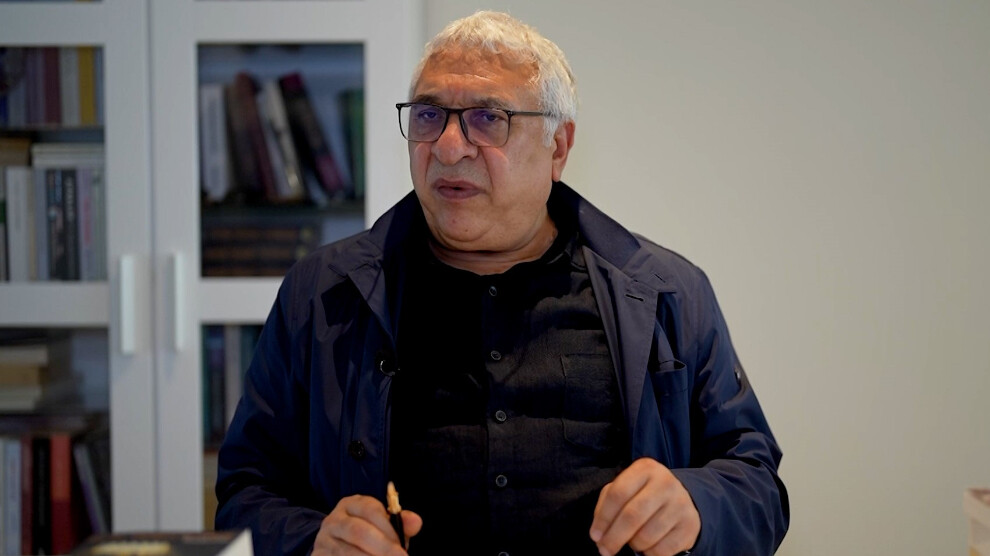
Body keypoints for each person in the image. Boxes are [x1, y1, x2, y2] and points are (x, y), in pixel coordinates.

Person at [215, 10, 789, 556]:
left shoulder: (666, 293)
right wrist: (313, 540)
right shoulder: (322, 296)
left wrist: (696, 506)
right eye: (428, 115)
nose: (448, 147)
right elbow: (244, 493)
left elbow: (758, 485)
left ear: (558, 147)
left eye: (488, 118)